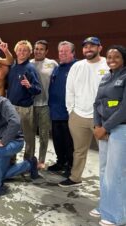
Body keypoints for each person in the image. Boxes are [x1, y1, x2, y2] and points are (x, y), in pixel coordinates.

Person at [59, 37, 109, 187]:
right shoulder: (77, 66)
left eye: (92, 46)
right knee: (79, 151)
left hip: (101, 118)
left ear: (100, 47)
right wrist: (71, 111)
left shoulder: (108, 64)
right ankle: (75, 178)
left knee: (106, 154)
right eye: (86, 47)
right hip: (78, 116)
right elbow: (70, 89)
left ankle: (107, 185)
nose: (88, 49)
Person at [0, 80, 38, 199]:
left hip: (14, 141)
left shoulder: (3, 102)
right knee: (1, 174)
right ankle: (29, 164)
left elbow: (15, 121)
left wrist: (3, 141)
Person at [91, 45, 126, 226]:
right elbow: (97, 102)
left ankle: (116, 215)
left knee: (116, 173)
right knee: (104, 170)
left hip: (120, 128)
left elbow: (124, 108)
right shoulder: (106, 77)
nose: (112, 59)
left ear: (123, 59)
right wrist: (97, 125)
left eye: (117, 57)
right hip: (103, 128)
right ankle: (105, 206)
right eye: (109, 56)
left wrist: (105, 127)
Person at [6, 40, 41, 160]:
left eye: (25, 50)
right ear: (16, 51)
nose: (22, 52)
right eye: (19, 50)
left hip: (25, 109)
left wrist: (29, 86)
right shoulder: (12, 66)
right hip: (11, 108)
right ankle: (11, 160)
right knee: (12, 135)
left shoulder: (30, 68)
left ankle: (29, 162)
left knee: (28, 137)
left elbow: (37, 90)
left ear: (29, 53)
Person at [48, 41, 76, 177]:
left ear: (72, 53)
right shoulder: (57, 68)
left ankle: (71, 166)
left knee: (69, 142)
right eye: (60, 51)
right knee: (57, 140)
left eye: (65, 51)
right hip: (55, 111)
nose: (62, 54)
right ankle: (61, 162)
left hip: (69, 113)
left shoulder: (77, 67)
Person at [30, 40, 58, 169]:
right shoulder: (29, 63)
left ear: (46, 51)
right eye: (36, 48)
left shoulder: (52, 64)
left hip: (45, 105)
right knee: (30, 135)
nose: (38, 51)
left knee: (44, 135)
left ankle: (41, 160)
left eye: (41, 49)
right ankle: (30, 159)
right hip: (30, 105)